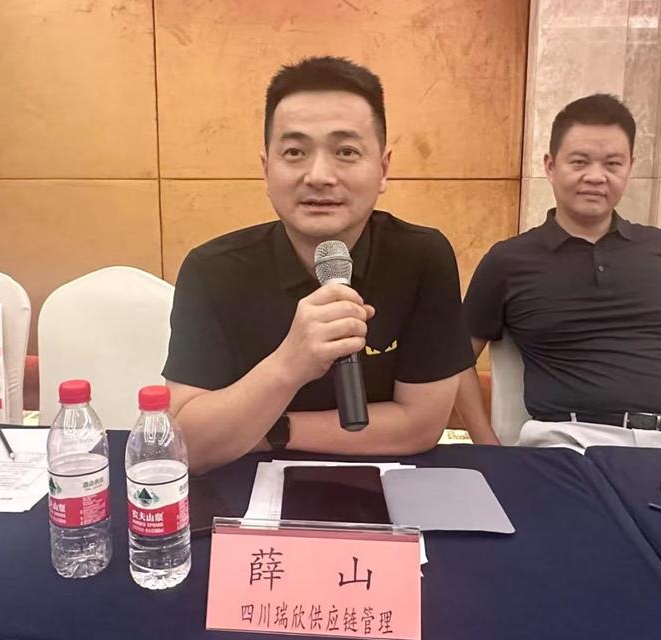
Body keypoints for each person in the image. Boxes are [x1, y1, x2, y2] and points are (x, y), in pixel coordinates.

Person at [163, 56, 499, 472]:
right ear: (266, 170)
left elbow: (419, 427)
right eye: (295, 152)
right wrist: (289, 364)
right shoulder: (212, 270)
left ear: (383, 169)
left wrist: (272, 430)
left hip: (384, 481)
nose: (319, 175)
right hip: (242, 488)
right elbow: (185, 444)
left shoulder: (422, 257)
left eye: (346, 151)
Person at [463, 93, 661, 450]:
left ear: (630, 166)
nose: (596, 177)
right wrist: (489, 449)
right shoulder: (508, 260)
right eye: (580, 162)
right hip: (568, 444)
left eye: (612, 164)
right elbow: (456, 360)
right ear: (550, 166)